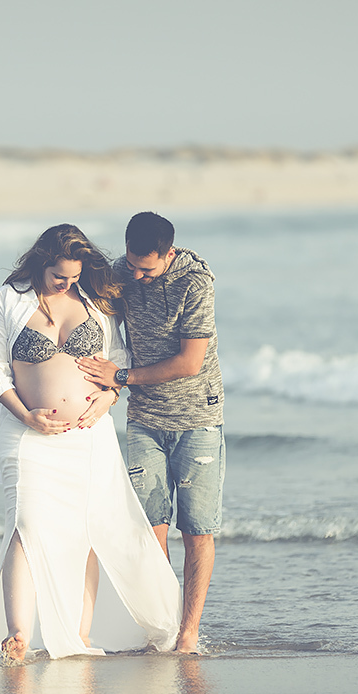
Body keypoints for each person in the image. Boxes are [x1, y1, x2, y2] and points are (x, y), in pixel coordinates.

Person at [0, 223, 181, 662]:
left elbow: (118, 361)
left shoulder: (96, 299)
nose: (67, 283)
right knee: (27, 524)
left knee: (88, 530)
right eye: (59, 277)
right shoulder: (10, 299)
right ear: (40, 263)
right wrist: (25, 414)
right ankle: (18, 634)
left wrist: (107, 399)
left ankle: (80, 634)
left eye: (73, 275)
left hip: (89, 435)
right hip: (28, 433)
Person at [78, 211, 225, 654]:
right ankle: (163, 627)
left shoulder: (194, 283)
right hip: (144, 420)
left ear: (169, 254)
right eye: (133, 265)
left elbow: (189, 363)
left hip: (196, 419)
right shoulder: (123, 273)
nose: (137, 277)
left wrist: (120, 377)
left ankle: (188, 632)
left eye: (148, 268)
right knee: (151, 530)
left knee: (197, 530)